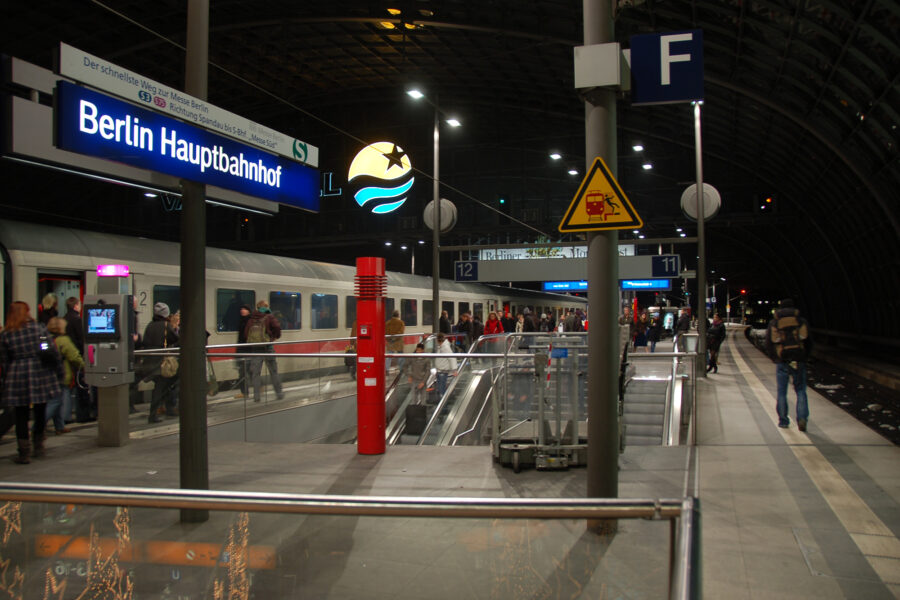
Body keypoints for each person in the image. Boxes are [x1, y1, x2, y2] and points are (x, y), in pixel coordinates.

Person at [0, 301, 63, 464]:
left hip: (17, 373)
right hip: (39, 371)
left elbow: (4, 360)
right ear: (27, 312)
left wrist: (7, 379)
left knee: (20, 414)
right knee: (40, 410)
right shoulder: (39, 328)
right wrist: (58, 370)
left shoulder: (7, 333)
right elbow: (51, 350)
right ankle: (38, 445)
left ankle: (23, 452)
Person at [765, 299, 812, 431]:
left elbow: (769, 343)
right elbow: (809, 342)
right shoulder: (801, 321)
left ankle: (783, 421)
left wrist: (775, 358)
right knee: (801, 390)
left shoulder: (775, 322)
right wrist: (805, 357)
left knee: (781, 392)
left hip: (782, 360)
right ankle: (802, 419)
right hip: (799, 359)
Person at [43, 317, 83, 435]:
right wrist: (84, 366)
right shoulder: (63, 340)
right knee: (56, 401)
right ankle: (39, 426)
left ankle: (59, 426)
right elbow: (74, 356)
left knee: (57, 401)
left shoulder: (47, 338)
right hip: (62, 374)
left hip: (47, 374)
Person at [142, 302, 180, 422]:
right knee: (163, 386)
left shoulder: (149, 326)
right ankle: (153, 415)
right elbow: (176, 339)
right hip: (161, 363)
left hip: (149, 361)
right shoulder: (166, 325)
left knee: (162, 386)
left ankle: (165, 408)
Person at [245, 300, 284, 402]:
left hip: (256, 349)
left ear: (257, 308)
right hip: (268, 348)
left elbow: (246, 334)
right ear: (266, 307)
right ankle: (279, 393)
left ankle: (257, 397)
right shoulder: (269, 317)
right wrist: (274, 337)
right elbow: (277, 327)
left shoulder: (252, 319)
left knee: (256, 374)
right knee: (273, 372)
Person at [234, 304, 252, 398]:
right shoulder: (242, 321)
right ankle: (260, 386)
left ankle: (245, 392)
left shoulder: (249, 321)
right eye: (241, 308)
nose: (242, 310)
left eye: (244, 309)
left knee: (243, 372)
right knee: (247, 371)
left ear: (248, 311)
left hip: (247, 350)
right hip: (242, 349)